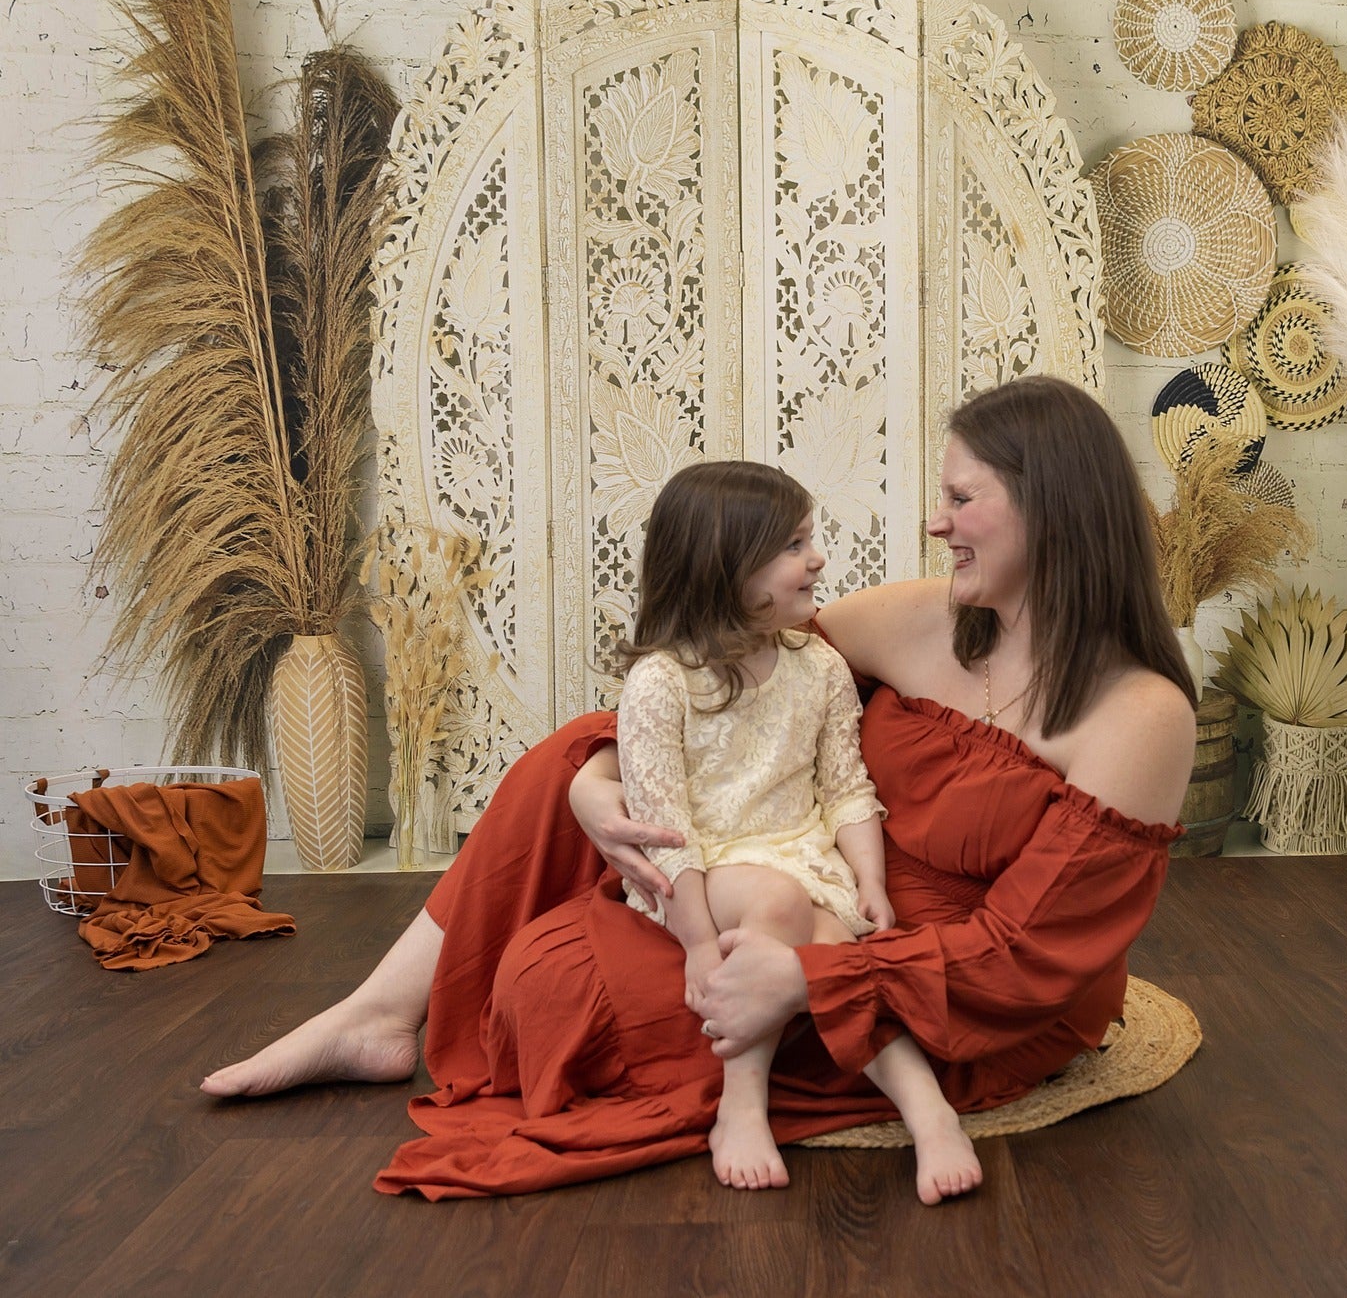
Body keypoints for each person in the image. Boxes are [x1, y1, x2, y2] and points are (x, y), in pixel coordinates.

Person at [201, 375, 1197, 1202]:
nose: (936, 524)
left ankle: (817, 1071)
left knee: (553, 992)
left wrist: (809, 979)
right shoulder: (920, 619)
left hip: (946, 984)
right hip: (787, 882)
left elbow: (1021, 960)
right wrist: (595, 784)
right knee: (561, 763)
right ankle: (380, 1012)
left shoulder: (1137, 715)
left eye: (963, 498)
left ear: (1050, 506)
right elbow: (721, 683)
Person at [607, 459, 978, 1200]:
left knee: (836, 953)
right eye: (793, 545)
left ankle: (929, 1111)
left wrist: (869, 879)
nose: (817, 559)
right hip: (698, 869)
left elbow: (845, 789)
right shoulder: (662, 682)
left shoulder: (819, 668)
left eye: (811, 538)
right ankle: (741, 1104)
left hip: (799, 855)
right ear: (726, 567)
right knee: (778, 902)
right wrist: (700, 946)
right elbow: (661, 829)